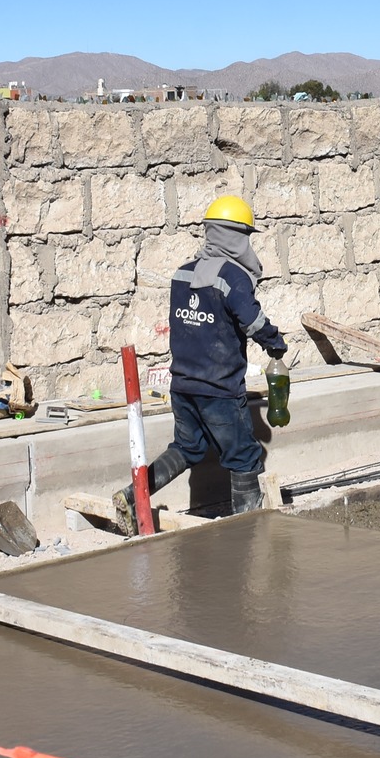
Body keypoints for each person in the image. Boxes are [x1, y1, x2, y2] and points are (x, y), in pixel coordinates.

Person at [115, 196, 286, 525]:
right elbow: (252, 321)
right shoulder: (233, 277)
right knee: (244, 457)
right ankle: (247, 529)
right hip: (219, 389)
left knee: (187, 448)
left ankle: (132, 496)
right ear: (235, 237)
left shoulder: (182, 273)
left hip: (182, 386)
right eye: (245, 236)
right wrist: (275, 342)